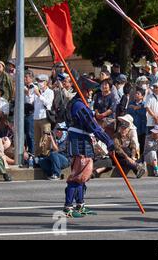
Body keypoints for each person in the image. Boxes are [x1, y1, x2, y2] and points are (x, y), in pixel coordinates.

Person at [63, 77, 115, 218]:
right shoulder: (79, 106)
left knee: (83, 176)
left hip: (83, 139)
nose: (91, 93)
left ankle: (80, 205)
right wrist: (108, 141)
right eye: (90, 90)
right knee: (78, 175)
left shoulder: (80, 104)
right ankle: (68, 207)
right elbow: (93, 126)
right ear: (83, 90)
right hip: (79, 141)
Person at [32, 74, 54, 158]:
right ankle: (37, 158)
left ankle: (45, 157)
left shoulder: (50, 92)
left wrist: (39, 95)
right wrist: (29, 92)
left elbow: (48, 103)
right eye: (38, 81)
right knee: (37, 140)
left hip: (45, 118)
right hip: (36, 118)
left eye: (41, 81)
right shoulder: (37, 91)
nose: (39, 83)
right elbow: (31, 101)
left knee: (45, 140)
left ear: (46, 82)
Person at [128, 88, 147, 157]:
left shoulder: (145, 104)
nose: (136, 95)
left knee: (142, 143)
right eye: (135, 93)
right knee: (133, 142)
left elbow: (143, 113)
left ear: (142, 96)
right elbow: (129, 113)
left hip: (142, 127)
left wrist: (135, 108)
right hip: (133, 126)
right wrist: (136, 108)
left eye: (138, 93)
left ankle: (141, 157)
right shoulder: (130, 103)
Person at [24, 70, 36, 155]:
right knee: (24, 134)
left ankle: (32, 153)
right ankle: (25, 152)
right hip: (23, 113)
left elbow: (31, 101)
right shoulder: (23, 87)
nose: (25, 78)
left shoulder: (34, 87)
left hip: (30, 113)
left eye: (26, 77)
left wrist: (27, 93)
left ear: (31, 78)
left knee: (30, 134)